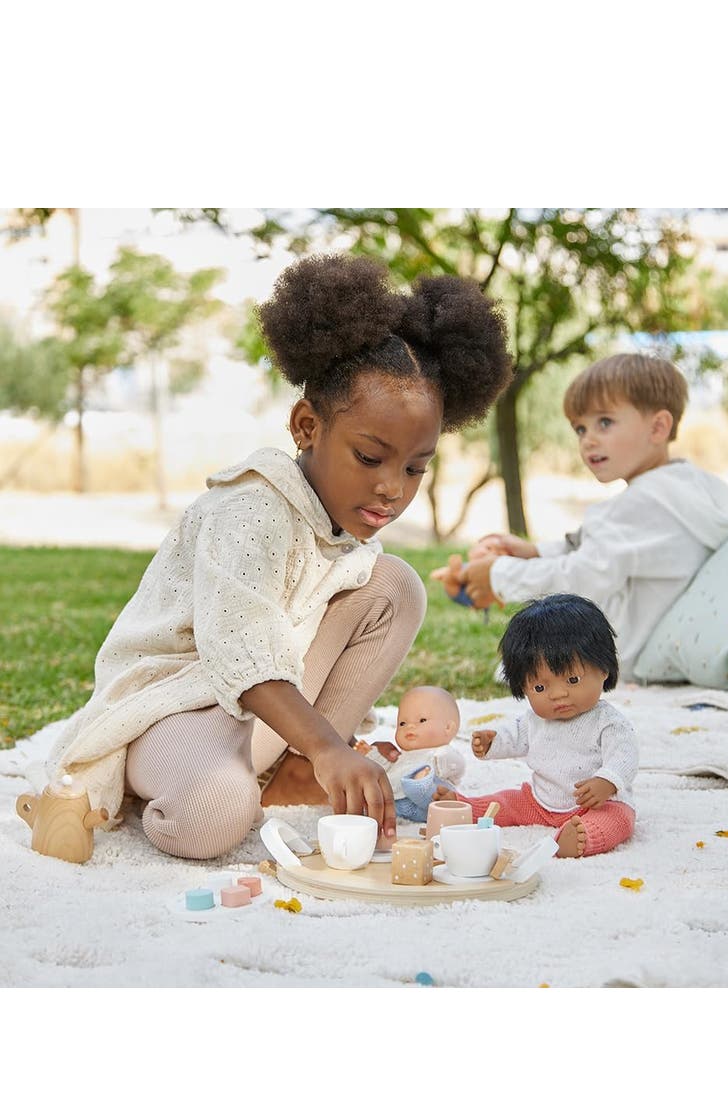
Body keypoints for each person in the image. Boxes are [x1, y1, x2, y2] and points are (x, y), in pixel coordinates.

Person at [47, 255, 512, 860]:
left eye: (415, 467)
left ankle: (292, 777)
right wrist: (328, 746)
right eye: (370, 458)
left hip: (262, 712)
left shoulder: (339, 524)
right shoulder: (249, 509)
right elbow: (241, 650)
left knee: (395, 584)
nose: (393, 487)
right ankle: (138, 790)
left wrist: (320, 748)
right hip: (177, 706)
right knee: (211, 816)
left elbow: (300, 645)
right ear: (306, 426)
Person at [431, 353, 728, 679]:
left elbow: (582, 579)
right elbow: (603, 549)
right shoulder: (687, 491)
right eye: (580, 428)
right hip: (667, 644)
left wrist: (500, 576)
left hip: (623, 659)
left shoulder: (642, 503)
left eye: (604, 422)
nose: (588, 440)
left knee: (533, 664)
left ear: (658, 427)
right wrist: (535, 552)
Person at [439, 593, 639, 858]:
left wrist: (607, 781)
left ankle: (583, 837)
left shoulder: (608, 722)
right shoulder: (535, 720)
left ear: (603, 669)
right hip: (540, 800)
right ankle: (465, 809)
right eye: (540, 687)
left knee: (619, 820)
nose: (557, 694)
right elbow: (516, 736)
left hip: (597, 804)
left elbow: (624, 755)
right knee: (507, 802)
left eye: (572, 680)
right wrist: (493, 743)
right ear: (523, 686)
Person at [354, 685, 465, 821]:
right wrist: (370, 754)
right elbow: (387, 767)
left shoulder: (442, 752)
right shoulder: (402, 756)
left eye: (422, 720)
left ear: (448, 728)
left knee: (428, 793)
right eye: (402, 723)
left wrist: (439, 762)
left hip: (428, 801)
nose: (410, 726)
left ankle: (419, 785)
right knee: (374, 794)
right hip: (397, 802)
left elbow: (457, 766)